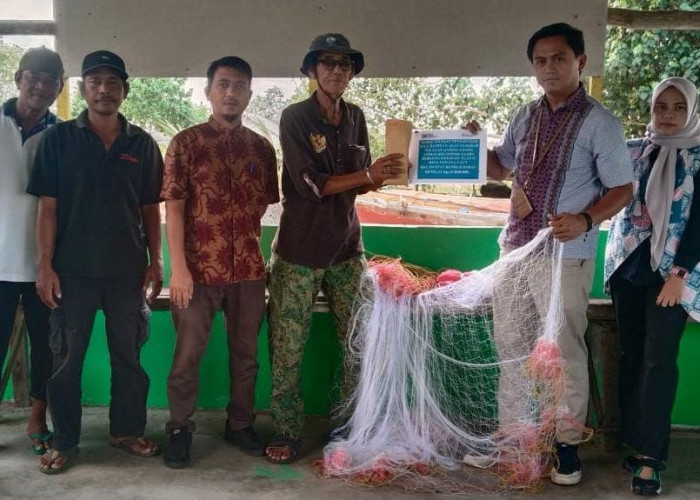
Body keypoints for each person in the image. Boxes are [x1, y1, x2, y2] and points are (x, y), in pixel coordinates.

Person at [464, 23, 634, 486]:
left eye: (559, 58)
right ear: (533, 67)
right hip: (515, 250)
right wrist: (472, 146)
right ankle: (515, 442)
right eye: (540, 60)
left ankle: (566, 447)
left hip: (566, 255)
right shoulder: (525, 116)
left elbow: (623, 187)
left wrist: (585, 219)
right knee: (511, 348)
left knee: (562, 351)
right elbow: (501, 165)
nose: (549, 67)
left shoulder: (601, 122)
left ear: (580, 61)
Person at [264, 33, 404, 464]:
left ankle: (347, 425)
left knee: (360, 340)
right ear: (312, 70)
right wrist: (367, 174)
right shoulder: (295, 118)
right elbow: (314, 185)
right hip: (298, 252)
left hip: (347, 249)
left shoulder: (356, 117)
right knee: (288, 348)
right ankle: (287, 431)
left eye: (344, 64)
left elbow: (358, 182)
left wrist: (379, 175)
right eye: (328, 63)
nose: (337, 71)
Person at [28, 50, 163, 474]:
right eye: (95, 81)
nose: (104, 90)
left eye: (112, 82)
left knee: (129, 356)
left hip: (127, 272)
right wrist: (44, 266)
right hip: (72, 272)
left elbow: (148, 210)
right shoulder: (59, 140)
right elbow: (47, 209)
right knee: (66, 360)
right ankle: (65, 441)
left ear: (125, 89)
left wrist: (155, 261)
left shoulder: (141, 144)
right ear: (82, 88)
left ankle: (125, 431)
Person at [160, 56, 279, 468]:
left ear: (249, 93)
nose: (231, 92)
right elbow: (173, 210)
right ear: (208, 91)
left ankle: (240, 423)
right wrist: (178, 268)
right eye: (223, 84)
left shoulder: (261, 149)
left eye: (240, 85)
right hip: (196, 273)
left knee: (246, 355)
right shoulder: (186, 144)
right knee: (187, 354)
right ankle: (178, 427)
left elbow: (263, 203)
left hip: (248, 271)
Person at [605, 77, 700, 496]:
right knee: (632, 355)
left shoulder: (699, 155)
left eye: (679, 107)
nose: (669, 115)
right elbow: (599, 183)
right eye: (662, 106)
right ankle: (636, 439)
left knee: (659, 361)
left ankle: (651, 458)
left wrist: (680, 274)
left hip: (672, 275)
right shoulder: (632, 149)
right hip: (628, 267)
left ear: (692, 111)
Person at [0, 47, 63, 455]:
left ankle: (37, 419)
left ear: (59, 88)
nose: (41, 86)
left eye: (51, 80)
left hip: (46, 265)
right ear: (19, 77)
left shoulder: (62, 135)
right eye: (34, 77)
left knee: (46, 347)